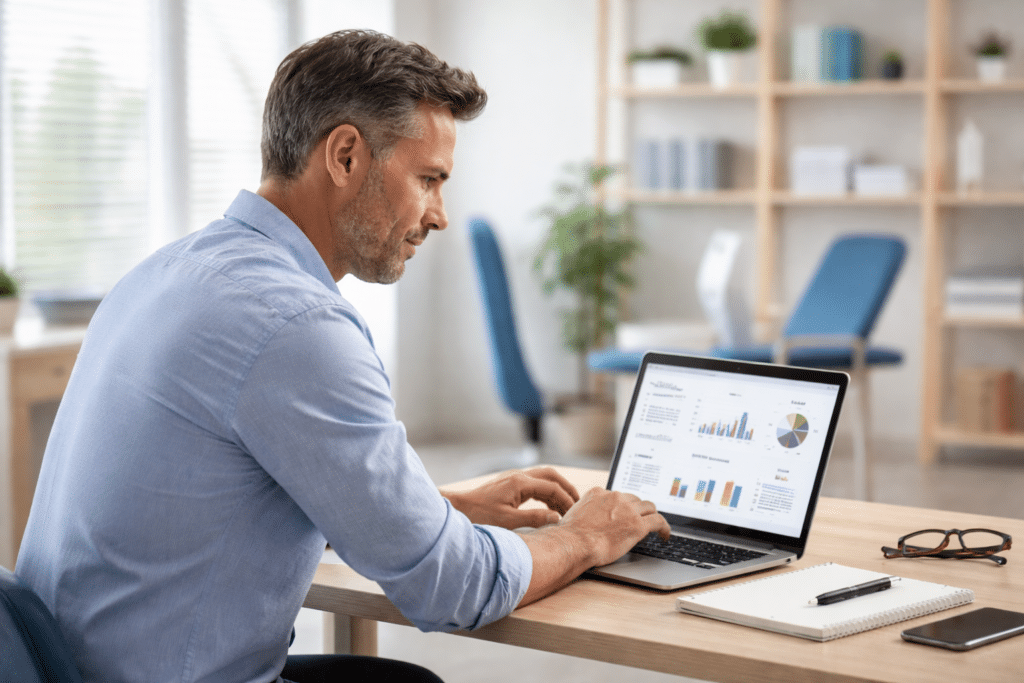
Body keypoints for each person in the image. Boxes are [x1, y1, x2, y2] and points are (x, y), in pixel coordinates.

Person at [16, 29, 668, 683]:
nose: (439, 215)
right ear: (347, 155)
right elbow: (452, 589)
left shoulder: (165, 273)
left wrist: (431, 509)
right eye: (429, 179)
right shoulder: (295, 322)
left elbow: (209, 495)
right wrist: (583, 535)